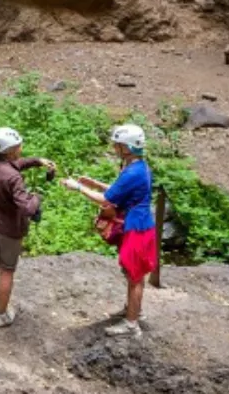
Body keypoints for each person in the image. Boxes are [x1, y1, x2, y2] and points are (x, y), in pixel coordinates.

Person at [63, 123, 156, 338]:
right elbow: (118, 190)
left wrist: (78, 188)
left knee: (134, 276)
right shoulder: (138, 167)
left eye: (118, 145)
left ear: (127, 147)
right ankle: (132, 311)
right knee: (133, 273)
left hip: (137, 228)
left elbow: (106, 199)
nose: (115, 148)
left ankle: (132, 323)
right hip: (139, 224)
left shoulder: (133, 172)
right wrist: (94, 183)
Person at [0, 126, 54, 327]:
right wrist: (37, 197)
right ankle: (2, 314)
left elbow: (13, 166)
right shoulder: (13, 178)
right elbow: (27, 207)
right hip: (9, 231)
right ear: (10, 150)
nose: (21, 147)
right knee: (7, 271)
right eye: (18, 145)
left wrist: (36, 161)